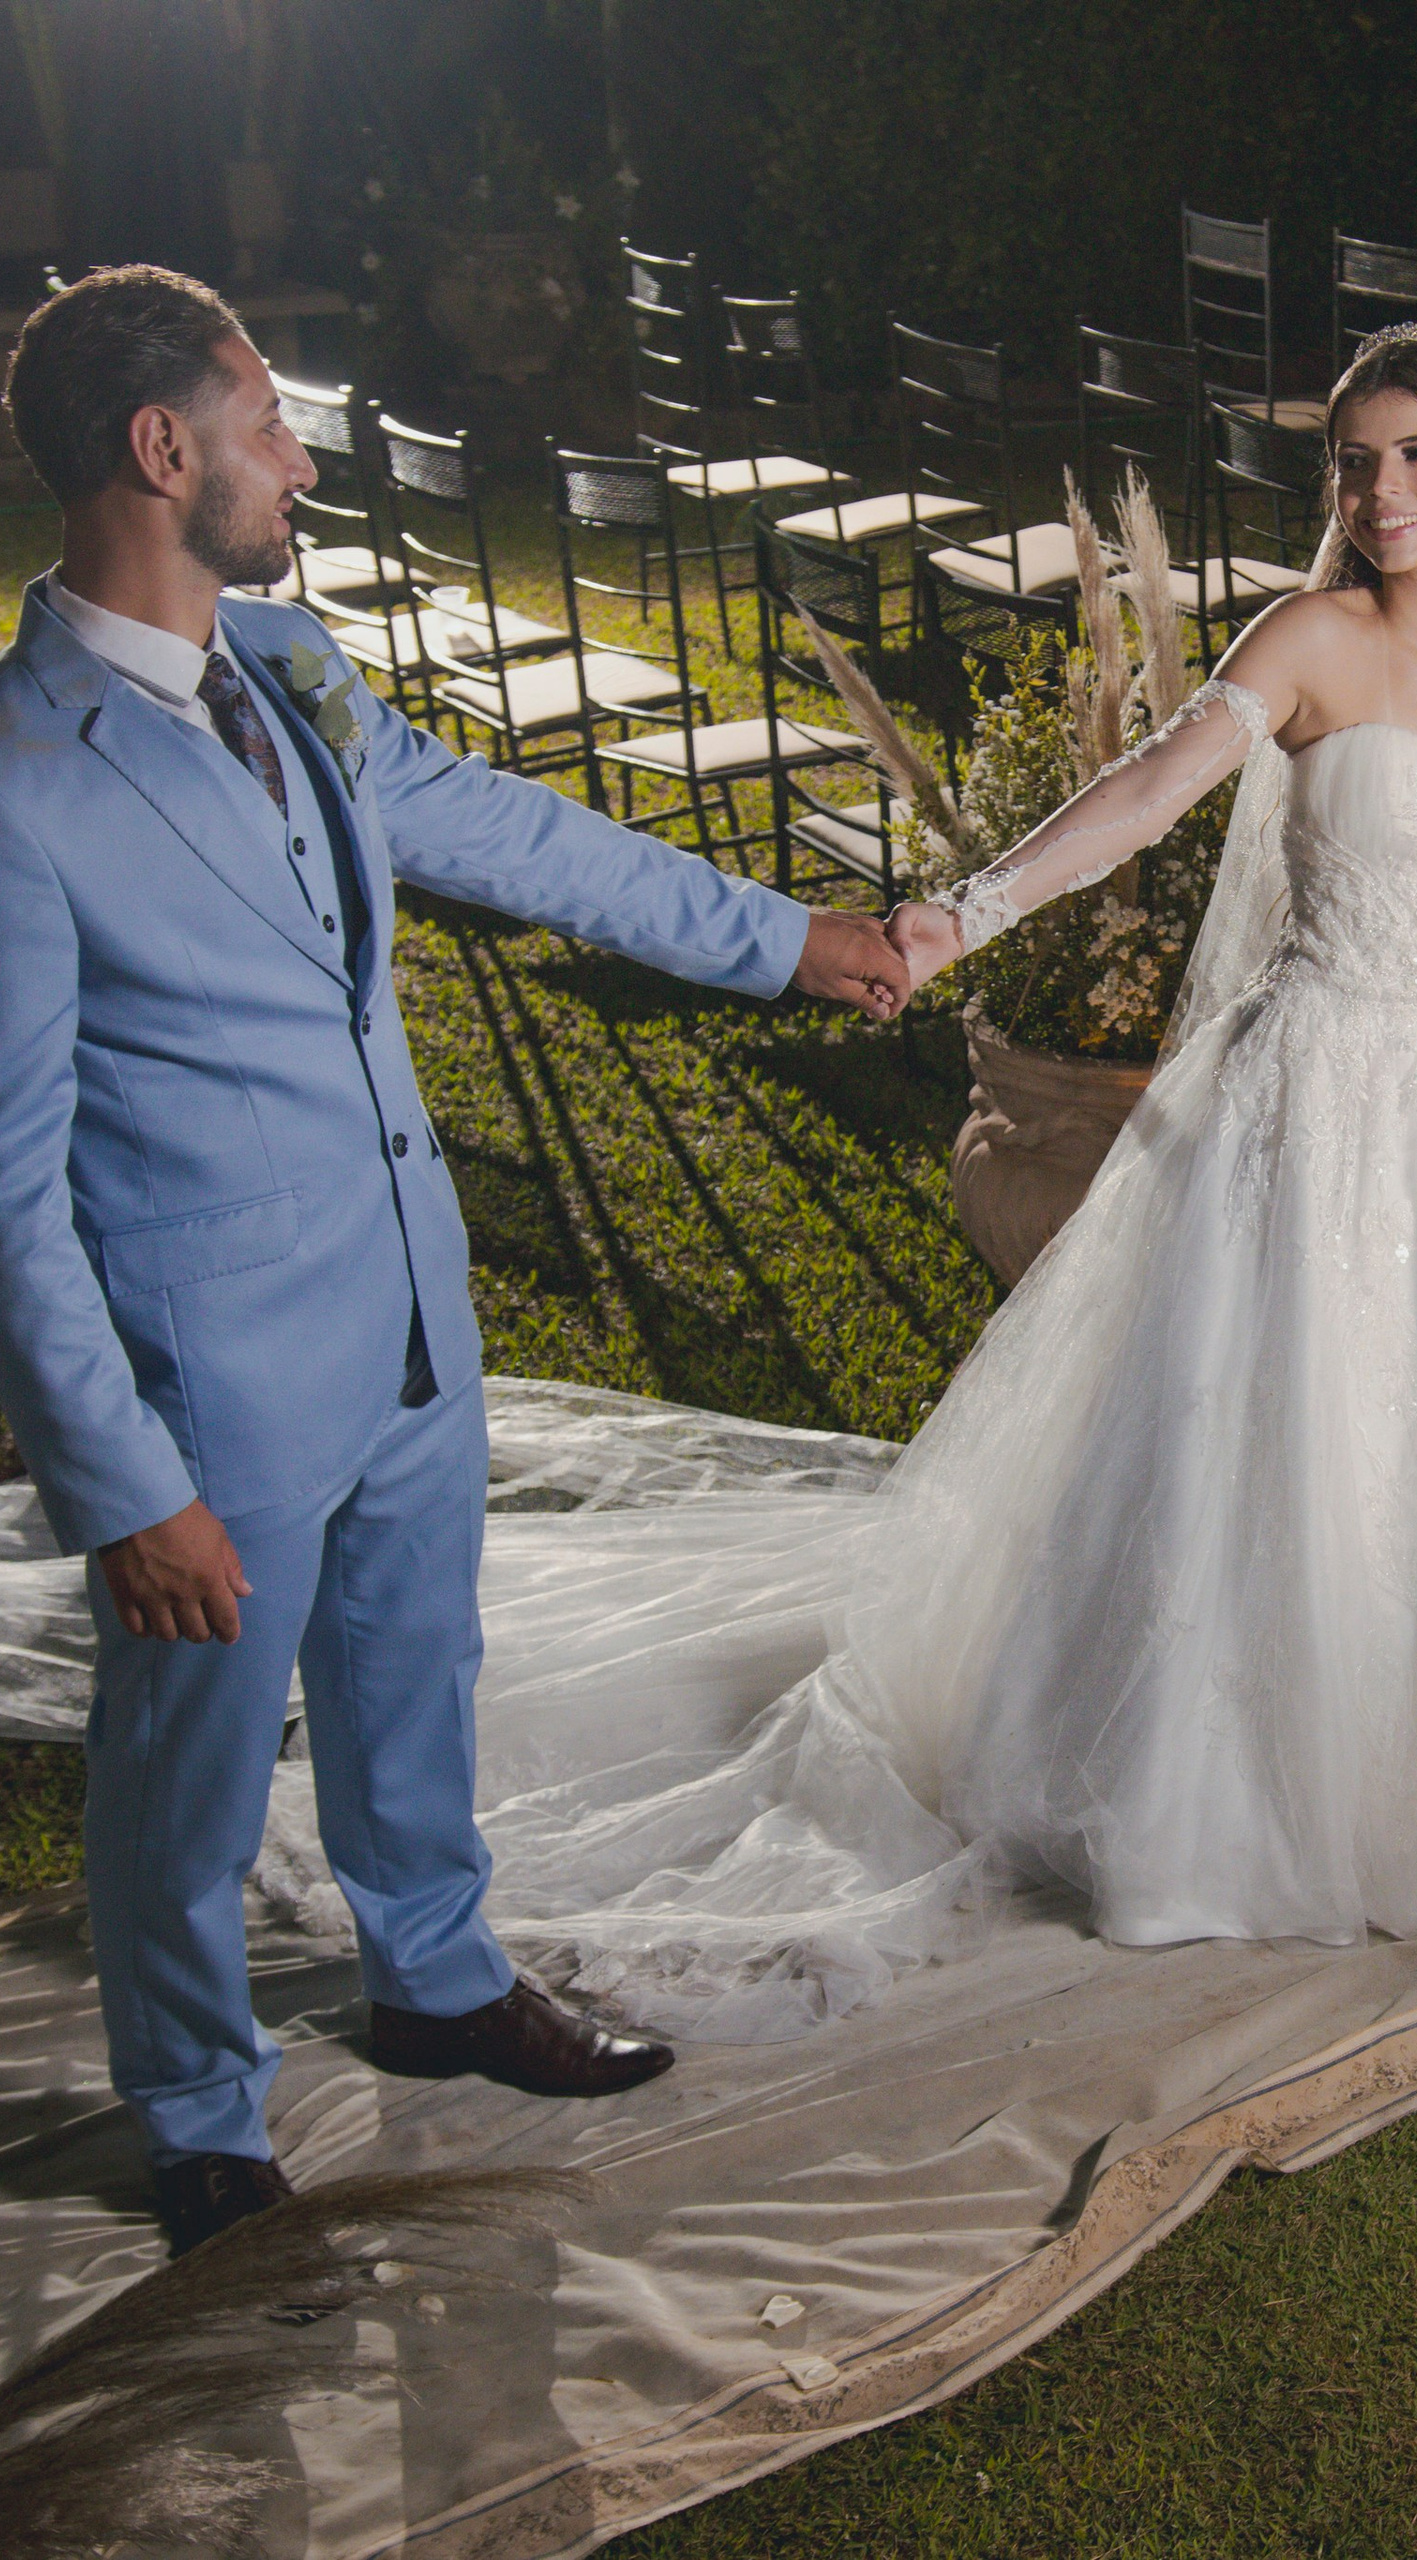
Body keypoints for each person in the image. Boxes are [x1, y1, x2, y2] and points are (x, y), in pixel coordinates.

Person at [430, 326, 1417, 2025]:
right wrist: (960, 919)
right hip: (1316, 1100)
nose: (1381, 492)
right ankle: (1233, 1793)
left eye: (1416, 458)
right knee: (1293, 1438)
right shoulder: (1306, 638)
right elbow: (1146, 797)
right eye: (1354, 462)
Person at [0, 266, 908, 2253]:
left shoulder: (296, 666)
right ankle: (201, 2102)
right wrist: (127, 1480)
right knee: (195, 1764)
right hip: (211, 1383)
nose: (297, 454)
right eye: (263, 419)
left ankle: (435, 1972)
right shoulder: (21, 781)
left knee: (420, 1669)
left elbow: (511, 832)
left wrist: (784, 937)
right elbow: (10, 1191)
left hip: (408, 1306)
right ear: (163, 453)